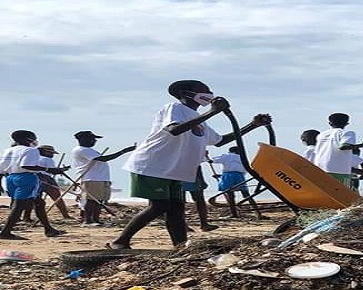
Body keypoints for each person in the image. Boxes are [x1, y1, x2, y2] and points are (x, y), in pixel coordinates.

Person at [108, 80, 271, 250]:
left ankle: (180, 246)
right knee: (160, 205)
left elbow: (221, 141)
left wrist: (253, 125)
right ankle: (120, 241)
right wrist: (212, 112)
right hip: (153, 166)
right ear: (186, 94)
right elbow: (174, 129)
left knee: (177, 209)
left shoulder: (201, 122)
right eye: (204, 90)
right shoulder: (175, 108)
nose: (210, 93)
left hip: (174, 171)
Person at [0, 130, 68, 239]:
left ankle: (48, 229)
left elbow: (1, 168)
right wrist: (49, 169)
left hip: (10, 178)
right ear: (28, 139)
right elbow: (27, 166)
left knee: (39, 202)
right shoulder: (31, 150)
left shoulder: (8, 150)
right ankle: (5, 232)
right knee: (18, 206)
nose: (35, 141)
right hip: (26, 178)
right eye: (34, 138)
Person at [71, 130, 135, 226]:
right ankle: (88, 220)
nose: (94, 141)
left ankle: (96, 219)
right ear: (84, 139)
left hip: (100, 178)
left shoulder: (90, 150)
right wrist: (123, 151)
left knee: (99, 200)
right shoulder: (81, 149)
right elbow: (103, 159)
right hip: (91, 178)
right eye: (93, 139)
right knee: (91, 200)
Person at [314, 113, 363, 186]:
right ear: (347, 123)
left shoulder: (321, 135)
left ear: (330, 123)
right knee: (344, 193)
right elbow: (343, 147)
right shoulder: (347, 133)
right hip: (340, 170)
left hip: (320, 168)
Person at [209, 146, 262, 218]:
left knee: (231, 196)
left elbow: (212, 160)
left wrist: (207, 156)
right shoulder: (242, 158)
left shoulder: (227, 156)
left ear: (230, 151)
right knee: (247, 195)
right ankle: (258, 213)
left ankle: (234, 214)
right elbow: (241, 169)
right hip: (240, 176)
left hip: (228, 176)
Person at [33, 145, 73, 220]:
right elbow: (53, 171)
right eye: (51, 153)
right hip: (46, 178)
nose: (52, 155)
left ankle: (30, 217)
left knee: (36, 199)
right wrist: (61, 170)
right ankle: (65, 215)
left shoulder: (34, 159)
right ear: (45, 152)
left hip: (36, 178)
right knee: (57, 197)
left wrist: (61, 169)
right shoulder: (48, 159)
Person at [182, 165, 217, 231]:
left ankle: (204, 224)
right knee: (181, 202)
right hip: (183, 176)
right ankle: (203, 224)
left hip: (188, 176)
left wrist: (201, 180)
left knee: (199, 200)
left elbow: (197, 165)